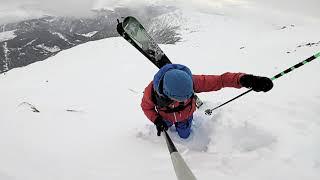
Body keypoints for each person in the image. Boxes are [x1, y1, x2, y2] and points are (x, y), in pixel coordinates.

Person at [141, 64, 273, 139]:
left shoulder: (192, 81)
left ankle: (184, 133)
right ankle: (167, 126)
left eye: (189, 95)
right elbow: (147, 107)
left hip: (186, 117)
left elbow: (220, 80)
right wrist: (156, 120)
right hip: (165, 117)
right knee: (165, 129)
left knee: (185, 136)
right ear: (167, 93)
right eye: (181, 98)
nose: (187, 99)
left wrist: (245, 80)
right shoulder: (151, 92)